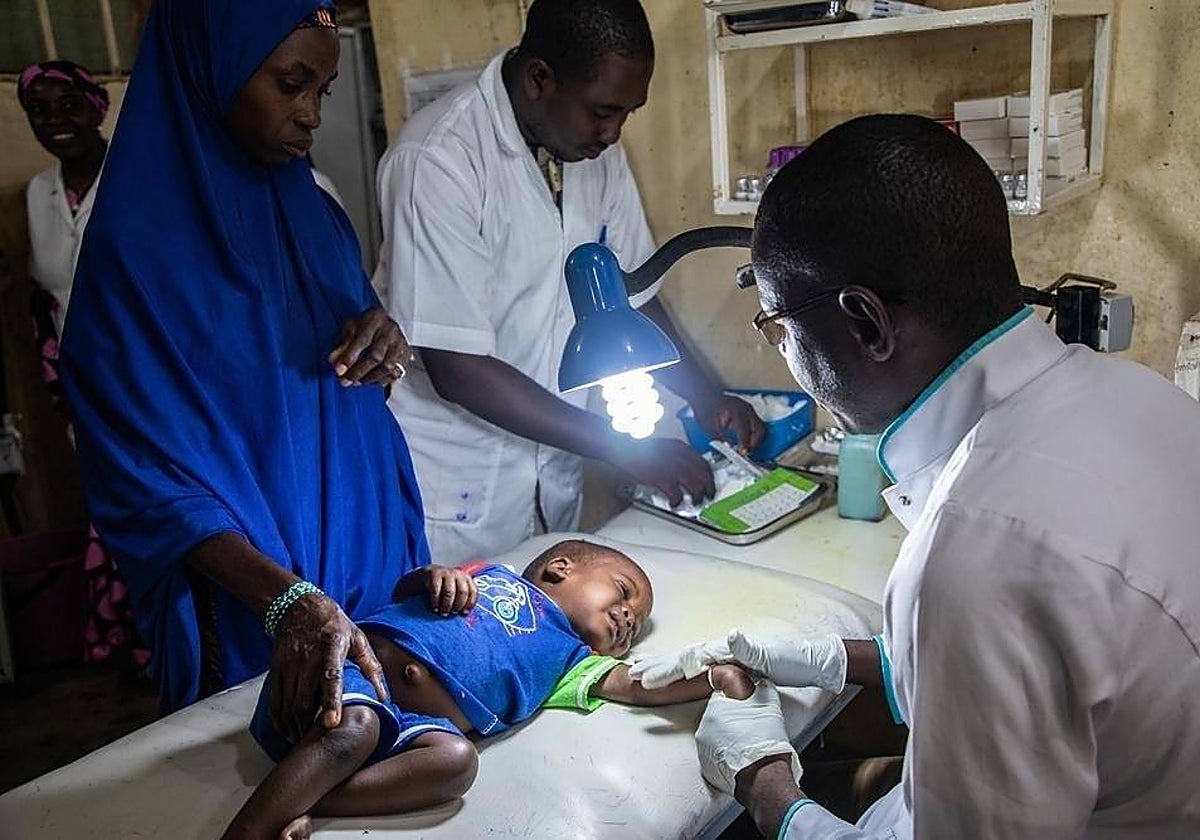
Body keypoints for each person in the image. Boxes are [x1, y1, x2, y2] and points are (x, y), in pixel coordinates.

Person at [633, 114, 1200, 837]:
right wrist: (840, 660)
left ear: (865, 322)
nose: (786, 356)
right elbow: (1070, 677)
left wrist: (764, 784)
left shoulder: (980, 554)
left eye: (777, 327)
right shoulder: (1141, 397)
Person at [61, 0, 428, 740]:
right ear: (213, 69)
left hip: (365, 563)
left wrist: (384, 342)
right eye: (289, 84)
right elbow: (138, 476)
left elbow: (344, 381)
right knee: (276, 777)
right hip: (250, 605)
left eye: (320, 93)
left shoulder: (315, 218)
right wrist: (286, 602)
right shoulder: (136, 257)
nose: (309, 116)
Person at [374, 0, 766, 566]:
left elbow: (635, 292)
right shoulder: (438, 159)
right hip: (457, 492)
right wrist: (624, 448)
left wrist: (705, 395)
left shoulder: (590, 149)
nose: (613, 133)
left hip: (550, 477)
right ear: (539, 79)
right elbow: (458, 368)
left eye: (627, 114)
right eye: (603, 112)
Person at [223, 539, 754, 840]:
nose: (626, 617)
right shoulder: (488, 576)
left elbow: (636, 684)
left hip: (408, 734)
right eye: (623, 594)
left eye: (635, 622)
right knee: (355, 729)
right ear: (560, 568)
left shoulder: (572, 660)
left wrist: (706, 674)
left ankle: (312, 800)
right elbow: (409, 592)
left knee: (456, 763)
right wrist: (435, 577)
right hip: (347, 677)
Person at [19, 60, 151, 670]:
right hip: (83, 385)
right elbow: (47, 297)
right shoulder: (38, 192)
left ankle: (164, 635)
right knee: (110, 509)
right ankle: (123, 636)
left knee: (159, 503)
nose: (55, 121)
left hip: (146, 378)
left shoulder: (137, 177)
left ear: (98, 109)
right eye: (39, 109)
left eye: (68, 105)